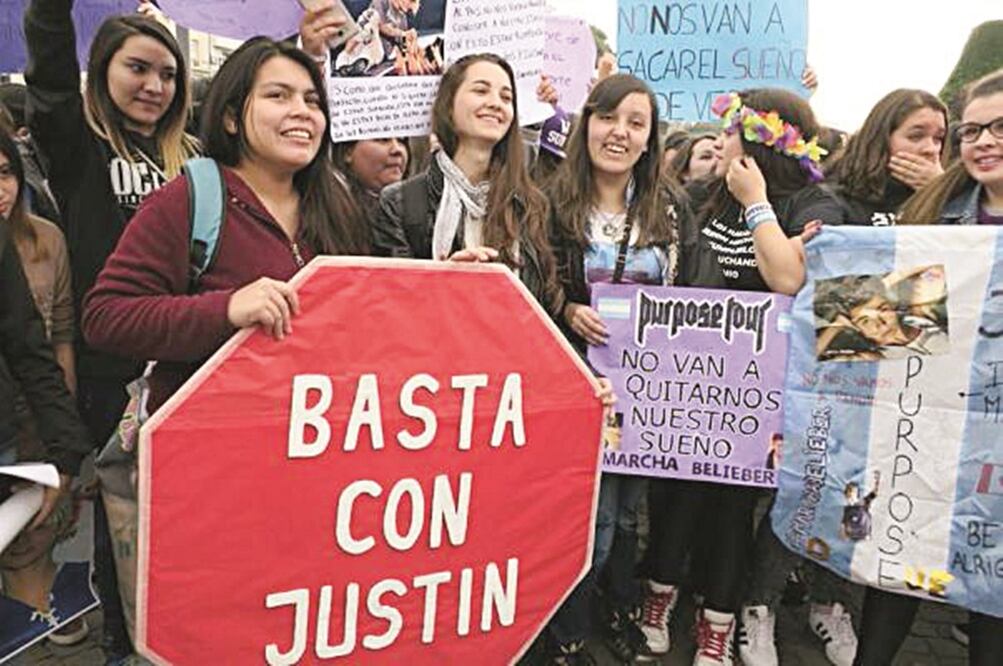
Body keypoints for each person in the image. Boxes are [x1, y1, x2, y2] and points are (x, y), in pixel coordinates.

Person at [640, 88, 840, 666]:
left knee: (732, 509)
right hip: (686, 383)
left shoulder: (811, 203)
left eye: (730, 133)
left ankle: (717, 622)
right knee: (674, 498)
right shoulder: (700, 197)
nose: (719, 142)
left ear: (758, 143)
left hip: (759, 399)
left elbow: (786, 278)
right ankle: (658, 597)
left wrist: (757, 205)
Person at [24, 2, 198, 655]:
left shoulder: (195, 155)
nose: (155, 85)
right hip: (111, 370)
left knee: (186, 513)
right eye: (137, 69)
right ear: (101, 73)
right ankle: (125, 643)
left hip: (186, 359)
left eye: (168, 73)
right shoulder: (76, 144)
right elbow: (47, 73)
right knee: (122, 521)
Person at [83, 35, 369, 416]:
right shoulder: (187, 201)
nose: (302, 111)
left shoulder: (340, 205)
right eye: (278, 96)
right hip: (214, 449)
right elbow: (106, 317)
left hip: (316, 438)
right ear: (231, 117)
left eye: (312, 100)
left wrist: (449, 281)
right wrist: (227, 310)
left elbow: (371, 310)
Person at [852, 67, 1003, 666]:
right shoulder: (936, 212)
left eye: (1000, 127)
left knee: (990, 594)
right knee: (900, 571)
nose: (983, 141)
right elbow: (875, 323)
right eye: (972, 130)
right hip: (932, 429)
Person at [545, 73, 686, 664]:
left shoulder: (670, 209)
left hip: (648, 393)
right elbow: (534, 282)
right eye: (608, 118)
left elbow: (692, 293)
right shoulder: (548, 201)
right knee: (590, 516)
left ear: (650, 139)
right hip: (578, 388)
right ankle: (564, 628)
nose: (620, 133)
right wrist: (567, 308)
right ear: (587, 125)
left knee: (628, 514)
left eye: (636, 123)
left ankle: (615, 606)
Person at [371, 52, 562, 317]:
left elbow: (548, 305)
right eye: (481, 90)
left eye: (506, 98)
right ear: (449, 105)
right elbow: (389, 308)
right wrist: (443, 283)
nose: (496, 103)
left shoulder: (532, 205)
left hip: (511, 353)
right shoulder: (399, 202)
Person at [825, 89, 948, 226]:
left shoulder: (948, 201)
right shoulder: (831, 197)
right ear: (881, 138)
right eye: (916, 136)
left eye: (938, 138)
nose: (931, 149)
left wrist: (940, 191)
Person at [332, 137, 410, 222]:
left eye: (401, 141)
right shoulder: (328, 211)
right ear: (348, 152)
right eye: (383, 139)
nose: (397, 150)